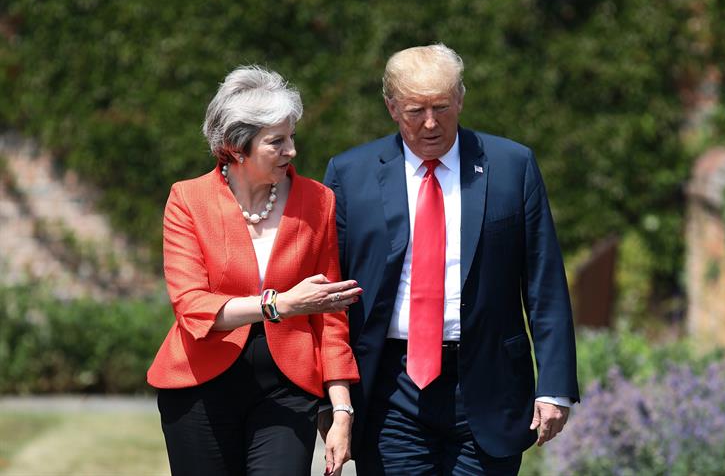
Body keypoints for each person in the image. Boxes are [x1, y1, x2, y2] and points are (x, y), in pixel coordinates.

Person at [323, 44, 579, 475]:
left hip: (487, 381)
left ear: (460, 98)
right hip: (391, 388)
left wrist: (555, 387)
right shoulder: (351, 174)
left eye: (442, 107)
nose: (430, 123)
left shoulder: (510, 166)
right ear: (390, 108)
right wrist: (337, 400)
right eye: (414, 110)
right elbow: (331, 293)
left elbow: (544, 283)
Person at [147, 65, 361, 476]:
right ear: (236, 147)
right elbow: (192, 308)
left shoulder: (319, 201)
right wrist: (279, 305)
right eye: (276, 142)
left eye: (292, 137)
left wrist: (341, 409)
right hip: (198, 389)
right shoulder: (187, 200)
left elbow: (331, 317)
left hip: (287, 388)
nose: (292, 151)